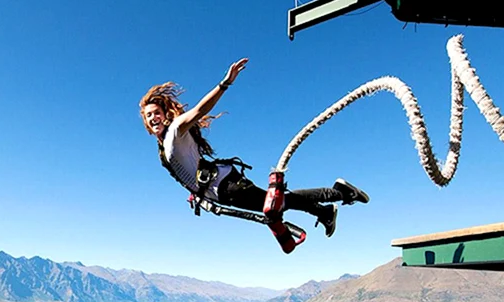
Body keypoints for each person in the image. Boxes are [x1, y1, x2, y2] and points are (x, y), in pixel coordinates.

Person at [139, 58, 368, 237]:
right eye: (148, 116)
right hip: (219, 189)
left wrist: (224, 84)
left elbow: (199, 110)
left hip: (227, 186)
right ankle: (324, 209)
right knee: (278, 203)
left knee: (278, 203)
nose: (153, 118)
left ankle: (339, 194)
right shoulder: (164, 146)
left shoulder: (175, 130)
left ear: (165, 115)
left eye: (156, 113)